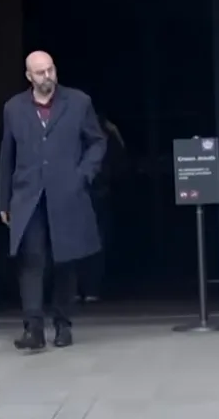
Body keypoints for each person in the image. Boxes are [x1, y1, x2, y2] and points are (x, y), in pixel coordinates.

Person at [0, 51, 107, 351]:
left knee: (65, 261)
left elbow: (97, 141)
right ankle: (33, 327)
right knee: (31, 260)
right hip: (28, 196)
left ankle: (63, 323)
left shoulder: (78, 102)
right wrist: (4, 201)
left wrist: (82, 175)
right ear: (29, 76)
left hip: (66, 194)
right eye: (40, 73)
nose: (47, 77)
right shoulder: (14, 108)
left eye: (50, 70)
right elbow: (7, 155)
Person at [78, 114, 128, 303]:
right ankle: (89, 288)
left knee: (85, 240)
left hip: (92, 192)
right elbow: (119, 162)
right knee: (94, 240)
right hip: (93, 192)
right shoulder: (105, 131)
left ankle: (83, 287)